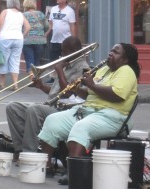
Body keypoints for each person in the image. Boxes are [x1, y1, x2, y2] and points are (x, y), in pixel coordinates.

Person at [38, 43, 140, 182]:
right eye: (111, 50)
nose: (110, 53)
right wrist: (76, 89)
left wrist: (91, 84)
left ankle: (74, 171)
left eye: (116, 52)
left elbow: (116, 95)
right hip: (87, 111)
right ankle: (46, 166)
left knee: (81, 127)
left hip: (110, 116)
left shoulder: (126, 71)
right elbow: (91, 95)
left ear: (125, 59)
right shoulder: (104, 70)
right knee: (52, 120)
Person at [6, 36, 89, 161]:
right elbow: (56, 92)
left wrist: (60, 70)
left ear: (74, 51)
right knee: (12, 108)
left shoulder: (82, 67)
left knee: (34, 110)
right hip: (51, 106)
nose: (62, 54)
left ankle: (29, 154)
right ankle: (19, 149)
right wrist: (41, 86)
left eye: (64, 51)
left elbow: (68, 94)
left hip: (64, 110)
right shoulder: (67, 64)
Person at [0, 0, 31, 91]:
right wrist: (22, 35)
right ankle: (15, 84)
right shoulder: (21, 14)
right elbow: (28, 27)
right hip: (18, 39)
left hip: (5, 38)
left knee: (4, 60)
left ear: (8, 3)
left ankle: (2, 83)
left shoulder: (5, 12)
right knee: (15, 60)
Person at [22, 0, 49, 78]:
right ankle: (37, 79)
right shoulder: (40, 14)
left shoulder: (23, 15)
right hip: (40, 41)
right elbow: (47, 26)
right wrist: (41, 32)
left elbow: (20, 27)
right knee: (37, 61)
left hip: (27, 41)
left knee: (29, 61)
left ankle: (32, 79)